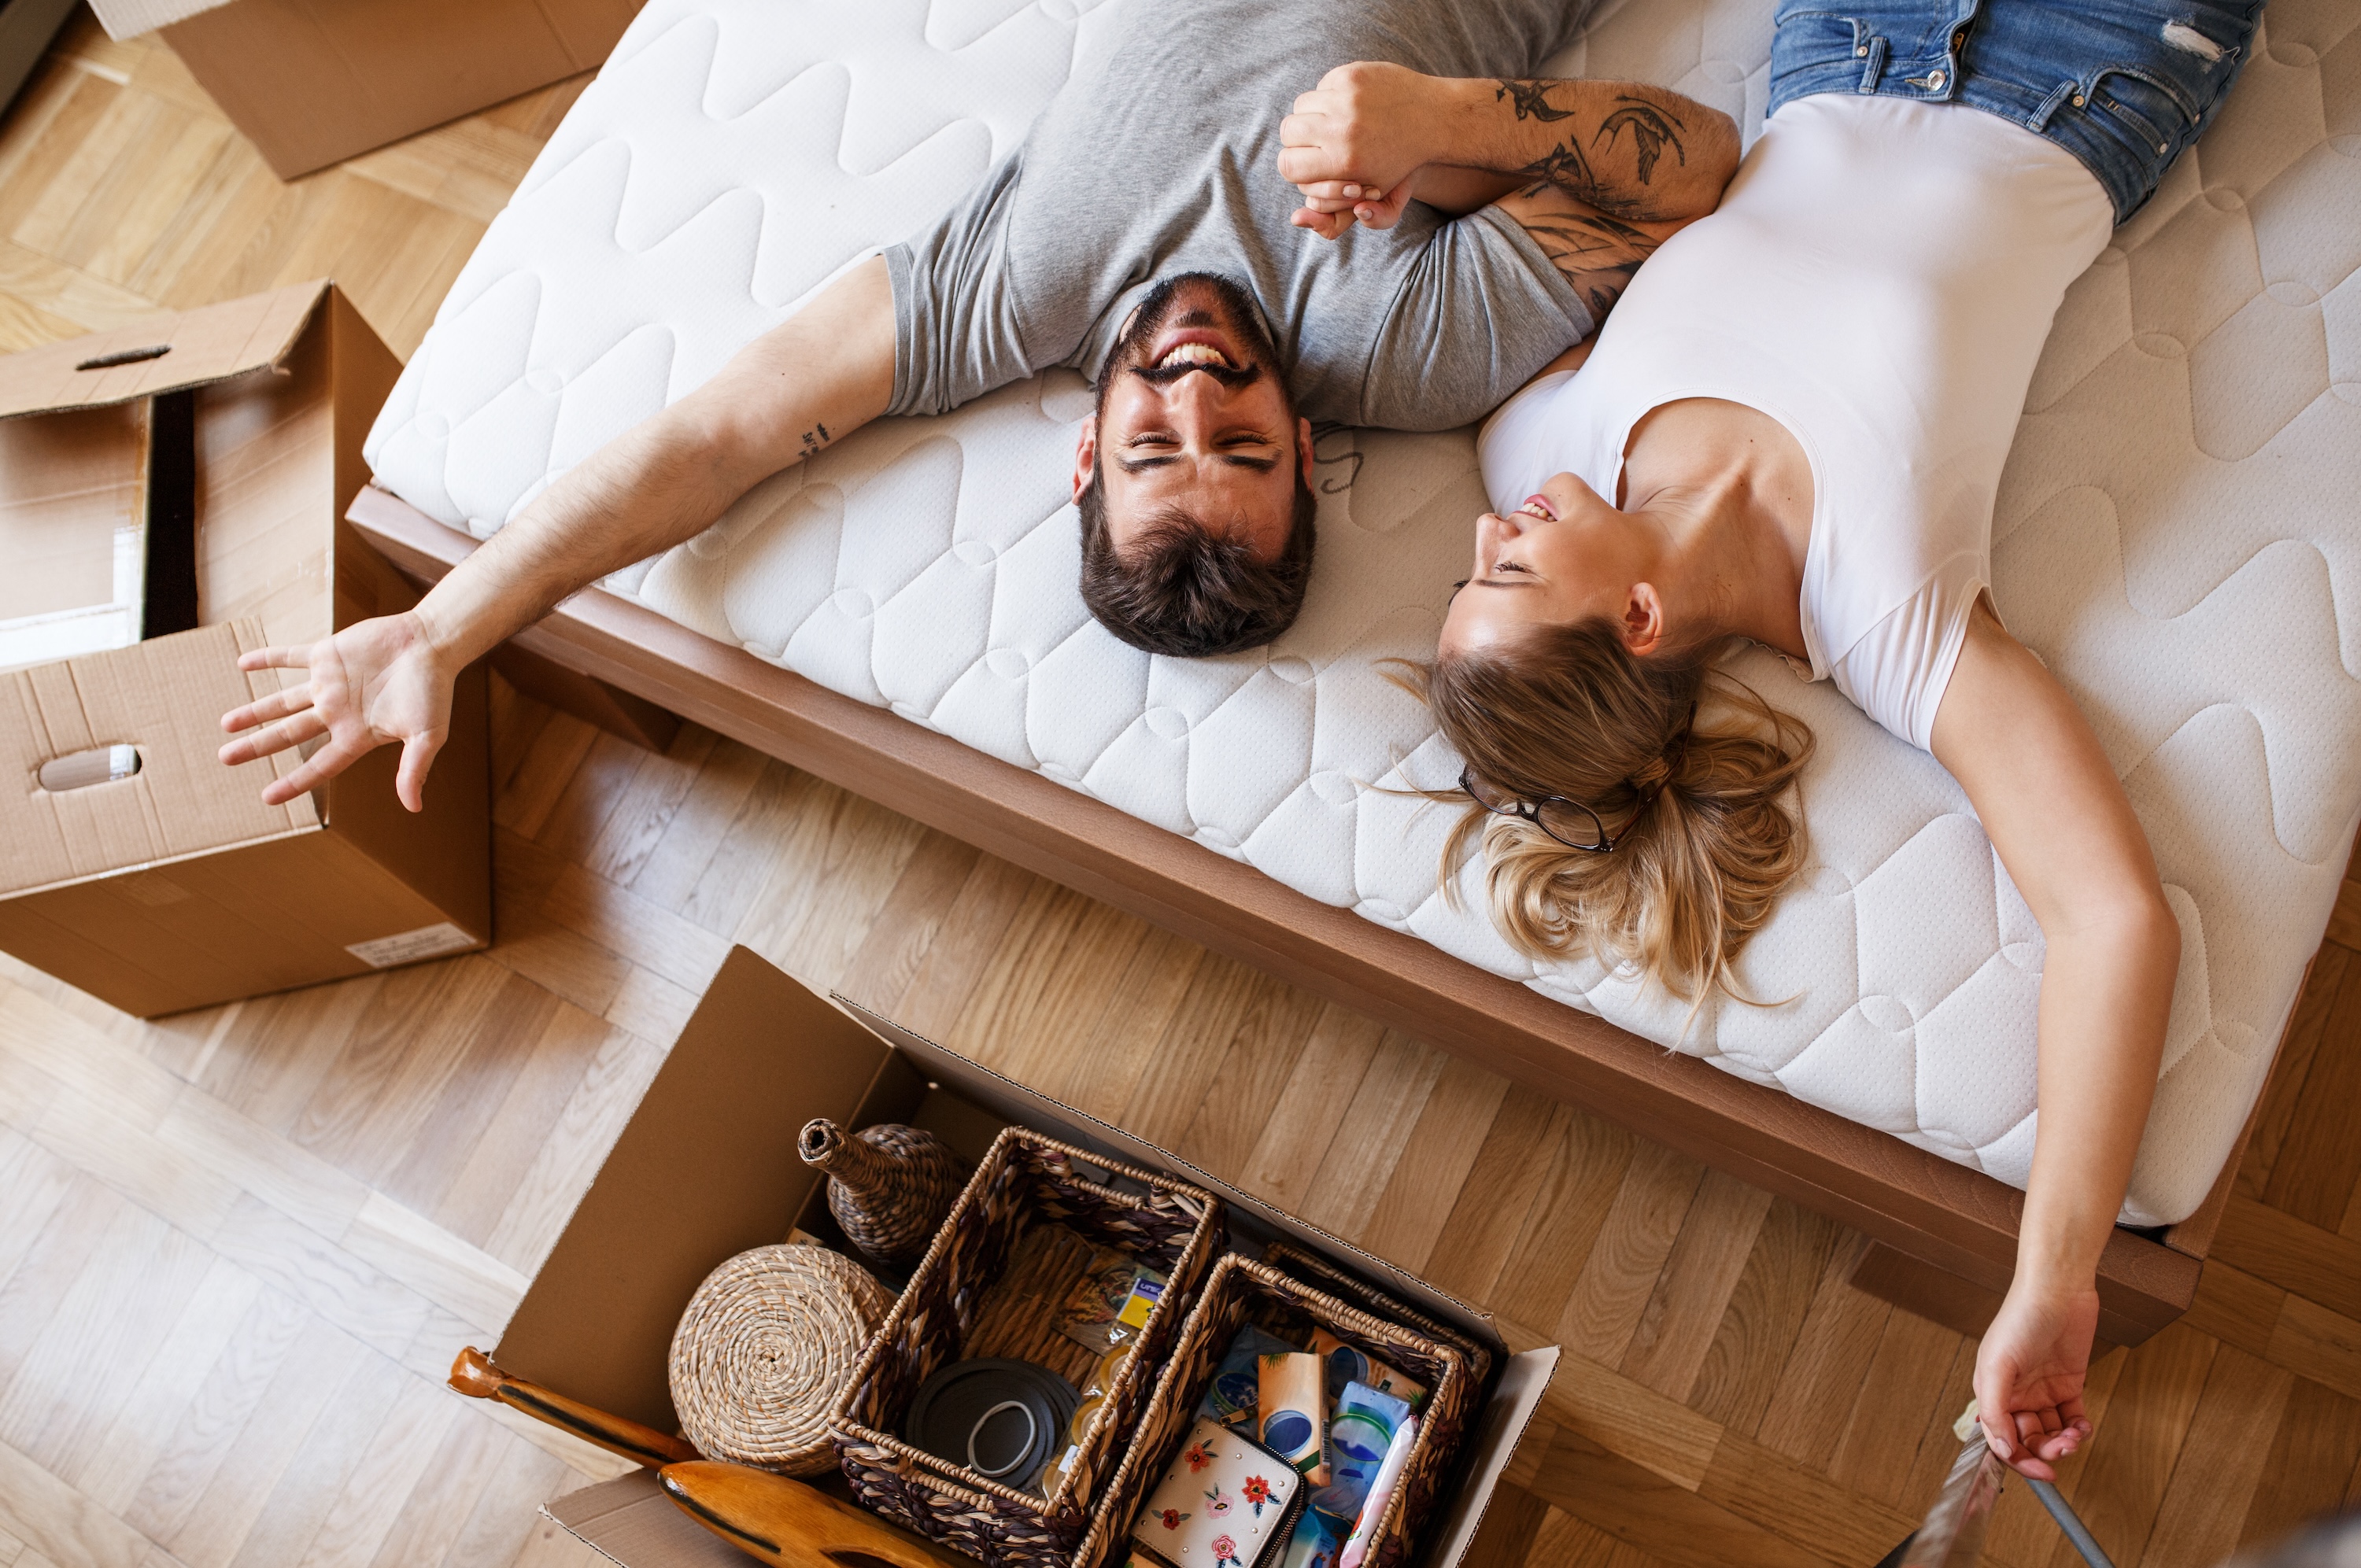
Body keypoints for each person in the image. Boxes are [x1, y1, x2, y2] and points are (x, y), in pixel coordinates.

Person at [1281, 0, 2261, 1485]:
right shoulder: (1888, 612)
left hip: (1847, 41)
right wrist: (2052, 1281)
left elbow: (1573, 199)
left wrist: (1416, 158)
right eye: (1507, 576)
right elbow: (2113, 917)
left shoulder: (1542, 451)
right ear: (1646, 622)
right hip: (2091, 64)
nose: (1487, 532)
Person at [216, 0, 1741, 813]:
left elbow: (716, 440)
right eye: (1245, 443)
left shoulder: (1019, 295)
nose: (1198, 388)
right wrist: (1446, 120)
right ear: (1312, 460)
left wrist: (441, 628)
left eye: (1155, 445)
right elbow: (1691, 153)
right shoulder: (1405, 349)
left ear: (1082, 450)